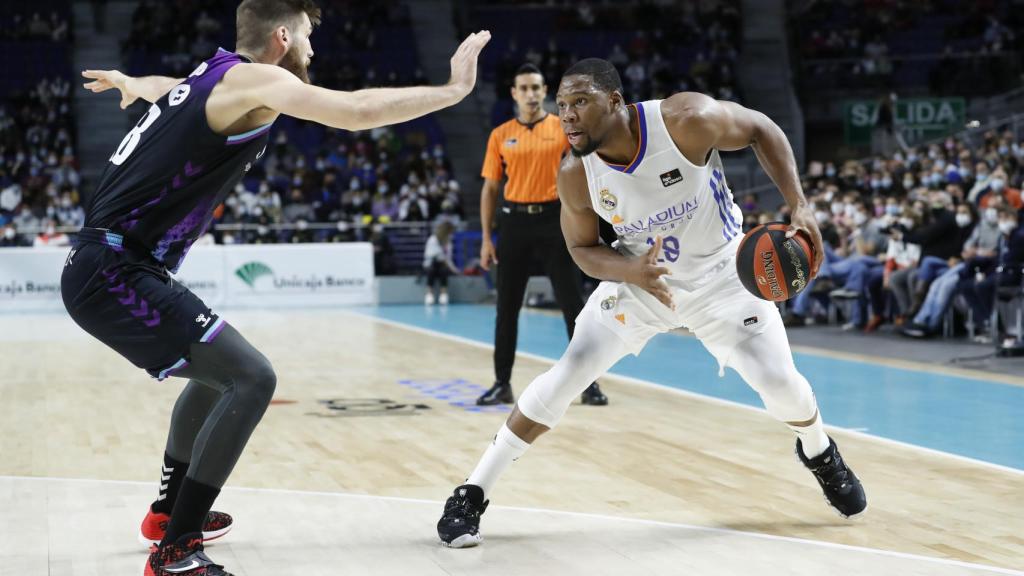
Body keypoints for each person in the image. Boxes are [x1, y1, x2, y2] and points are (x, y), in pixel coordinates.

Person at [63, 1, 490, 573]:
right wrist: (452, 91)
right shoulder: (256, 79)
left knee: (218, 376)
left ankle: (167, 514)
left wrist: (133, 83)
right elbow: (355, 111)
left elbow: (168, 91)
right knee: (252, 377)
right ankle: (176, 551)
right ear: (283, 37)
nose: (313, 48)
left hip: (111, 265)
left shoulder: (212, 77)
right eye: (308, 35)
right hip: (114, 270)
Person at [437, 58, 866, 548]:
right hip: (641, 282)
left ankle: (818, 449)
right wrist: (631, 272)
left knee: (781, 386)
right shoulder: (576, 173)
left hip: (723, 277)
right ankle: (472, 491)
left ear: (615, 101)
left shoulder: (685, 120)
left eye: (580, 102)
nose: (568, 115)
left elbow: (761, 129)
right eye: (563, 105)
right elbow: (581, 248)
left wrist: (800, 203)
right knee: (568, 374)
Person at [476, 62, 607, 407]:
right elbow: (490, 189)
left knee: (573, 305)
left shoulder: (562, 128)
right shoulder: (500, 135)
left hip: (555, 219)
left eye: (536, 87)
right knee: (506, 308)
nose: (530, 94)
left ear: (545, 91)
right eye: (524, 88)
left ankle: (589, 384)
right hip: (514, 222)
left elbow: (586, 172)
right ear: (514, 94)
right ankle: (502, 383)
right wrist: (487, 239)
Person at [423, 220, 459, 305]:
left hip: (442, 265)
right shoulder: (432, 239)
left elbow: (448, 258)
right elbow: (431, 255)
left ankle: (444, 294)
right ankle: (429, 294)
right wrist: (443, 259)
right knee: (431, 270)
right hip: (430, 264)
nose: (451, 234)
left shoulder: (448, 242)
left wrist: (454, 269)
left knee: (444, 270)